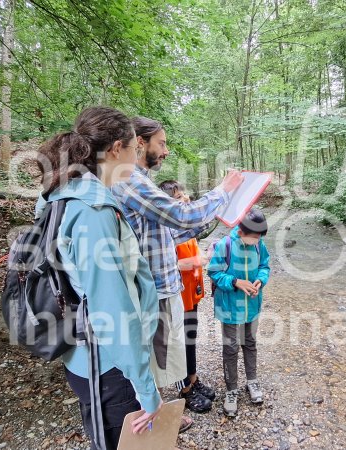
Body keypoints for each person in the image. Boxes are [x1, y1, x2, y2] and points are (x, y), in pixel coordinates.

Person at [35, 106, 161, 449]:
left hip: (81, 354)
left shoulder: (59, 194)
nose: (137, 159)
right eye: (135, 150)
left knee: (100, 436)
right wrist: (146, 389)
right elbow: (113, 309)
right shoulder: (93, 212)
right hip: (108, 363)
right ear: (117, 149)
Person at [111, 117, 243, 430]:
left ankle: (158, 413)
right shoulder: (130, 179)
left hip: (159, 286)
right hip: (148, 290)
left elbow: (169, 232)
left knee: (158, 358)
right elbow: (181, 215)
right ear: (140, 143)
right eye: (162, 143)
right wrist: (223, 191)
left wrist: (214, 218)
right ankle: (151, 422)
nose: (166, 151)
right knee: (146, 357)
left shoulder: (139, 180)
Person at [206, 209, 271, 418]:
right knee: (231, 347)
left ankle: (252, 381)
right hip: (230, 308)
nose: (257, 241)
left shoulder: (259, 245)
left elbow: (265, 266)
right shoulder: (226, 245)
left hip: (252, 306)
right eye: (255, 237)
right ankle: (231, 389)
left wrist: (261, 280)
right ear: (241, 232)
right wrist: (235, 282)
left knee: (250, 343)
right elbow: (214, 272)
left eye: (260, 237)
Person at [159, 180, 215, 413]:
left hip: (192, 295)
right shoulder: (165, 231)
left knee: (191, 339)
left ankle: (192, 377)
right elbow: (166, 263)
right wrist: (194, 262)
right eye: (179, 197)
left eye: (185, 195)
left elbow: (196, 250)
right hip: (176, 298)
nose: (186, 199)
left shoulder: (185, 228)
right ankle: (184, 390)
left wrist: (206, 256)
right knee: (178, 344)